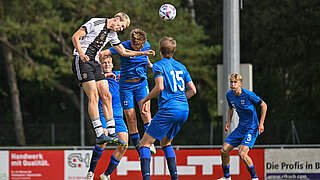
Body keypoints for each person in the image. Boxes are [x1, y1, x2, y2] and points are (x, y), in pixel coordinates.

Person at [71, 12, 155, 145]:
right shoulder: (96, 22)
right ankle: (99, 133)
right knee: (94, 96)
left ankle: (111, 132)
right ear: (116, 19)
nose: (120, 29)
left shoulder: (112, 34)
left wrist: (143, 53)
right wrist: (81, 53)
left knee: (107, 95)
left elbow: (123, 52)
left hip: (94, 62)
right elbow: (75, 37)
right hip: (82, 60)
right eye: (121, 26)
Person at [138, 37, 196, 180]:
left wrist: (145, 99)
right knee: (165, 142)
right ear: (174, 51)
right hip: (184, 110)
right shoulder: (181, 67)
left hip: (169, 110)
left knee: (144, 144)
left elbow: (160, 87)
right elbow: (193, 90)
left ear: (160, 50)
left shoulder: (159, 66)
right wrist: (179, 100)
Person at [99, 28, 156, 154]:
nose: (140, 49)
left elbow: (145, 58)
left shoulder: (146, 46)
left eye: (142, 47)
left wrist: (151, 66)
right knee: (131, 118)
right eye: (137, 47)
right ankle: (139, 148)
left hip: (141, 84)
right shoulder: (122, 46)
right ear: (131, 43)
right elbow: (102, 53)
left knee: (145, 112)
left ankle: (148, 142)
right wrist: (98, 73)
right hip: (126, 86)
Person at [218, 73, 267, 180]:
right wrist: (228, 122)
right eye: (231, 82)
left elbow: (264, 105)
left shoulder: (248, 95)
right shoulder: (229, 95)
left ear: (240, 83)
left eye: (235, 82)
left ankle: (255, 178)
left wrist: (261, 123)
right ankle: (227, 177)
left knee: (242, 153)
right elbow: (231, 108)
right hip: (241, 128)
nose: (233, 84)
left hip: (252, 128)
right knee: (224, 150)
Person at [87, 55, 128, 180]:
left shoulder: (118, 75)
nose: (107, 64)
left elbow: (132, 76)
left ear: (112, 64)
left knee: (124, 144)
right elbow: (88, 84)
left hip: (118, 117)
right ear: (100, 65)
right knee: (103, 139)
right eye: (104, 63)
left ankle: (106, 174)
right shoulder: (96, 77)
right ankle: (91, 171)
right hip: (103, 115)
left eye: (109, 62)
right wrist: (104, 77)